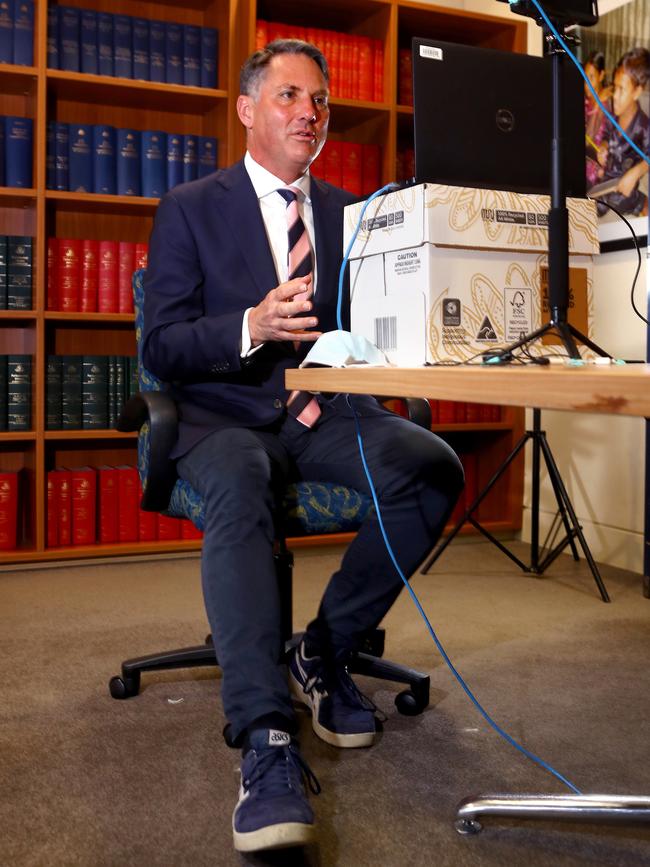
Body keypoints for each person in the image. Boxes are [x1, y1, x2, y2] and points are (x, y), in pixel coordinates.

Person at [142, 39, 463, 854]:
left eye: (319, 101)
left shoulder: (354, 215)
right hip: (221, 419)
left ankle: (322, 651)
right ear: (248, 110)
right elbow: (162, 346)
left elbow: (370, 330)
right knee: (243, 483)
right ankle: (265, 737)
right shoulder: (190, 206)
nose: (309, 113)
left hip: (324, 412)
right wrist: (251, 324)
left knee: (432, 465)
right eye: (289, 96)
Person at [592, 47, 650, 216]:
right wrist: (603, 147)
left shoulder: (644, 126)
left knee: (620, 204)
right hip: (607, 179)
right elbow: (606, 135)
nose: (615, 95)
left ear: (637, 92)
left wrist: (635, 173)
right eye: (614, 87)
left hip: (625, 187)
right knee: (592, 207)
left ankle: (641, 201)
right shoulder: (613, 116)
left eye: (621, 89)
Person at [582, 51, 611, 189]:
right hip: (584, 166)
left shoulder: (610, 103)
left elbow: (589, 138)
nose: (586, 84)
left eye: (591, 77)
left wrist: (599, 105)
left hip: (600, 170)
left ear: (602, 75)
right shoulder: (585, 102)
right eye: (585, 77)